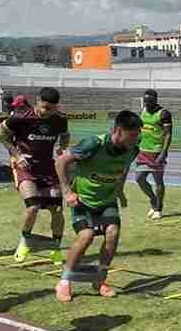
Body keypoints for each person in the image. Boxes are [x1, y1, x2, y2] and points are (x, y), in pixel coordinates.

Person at [54, 111, 141, 302]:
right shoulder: (93, 144)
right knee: (86, 236)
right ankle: (64, 282)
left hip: (107, 200)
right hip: (82, 199)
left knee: (112, 233)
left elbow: (124, 167)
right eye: (132, 135)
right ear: (118, 131)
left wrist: (120, 190)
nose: (136, 139)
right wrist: (67, 191)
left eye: (137, 135)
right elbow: (61, 161)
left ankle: (100, 280)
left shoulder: (132, 150)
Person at [0, 87, 70, 264]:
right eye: (44, 107)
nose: (46, 112)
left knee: (57, 210)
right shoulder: (21, 117)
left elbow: (65, 136)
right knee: (33, 207)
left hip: (47, 168)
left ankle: (55, 248)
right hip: (26, 167)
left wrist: (61, 147)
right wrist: (16, 154)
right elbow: (0, 133)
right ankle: (24, 243)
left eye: (51, 108)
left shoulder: (59, 119)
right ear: (37, 101)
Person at [135, 89, 172, 220]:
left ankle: (158, 208)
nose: (147, 103)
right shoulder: (142, 112)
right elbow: (138, 130)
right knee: (139, 178)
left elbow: (168, 134)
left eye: (149, 101)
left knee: (158, 181)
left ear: (155, 100)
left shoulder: (164, 114)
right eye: (145, 101)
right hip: (143, 151)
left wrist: (163, 152)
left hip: (157, 152)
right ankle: (153, 200)